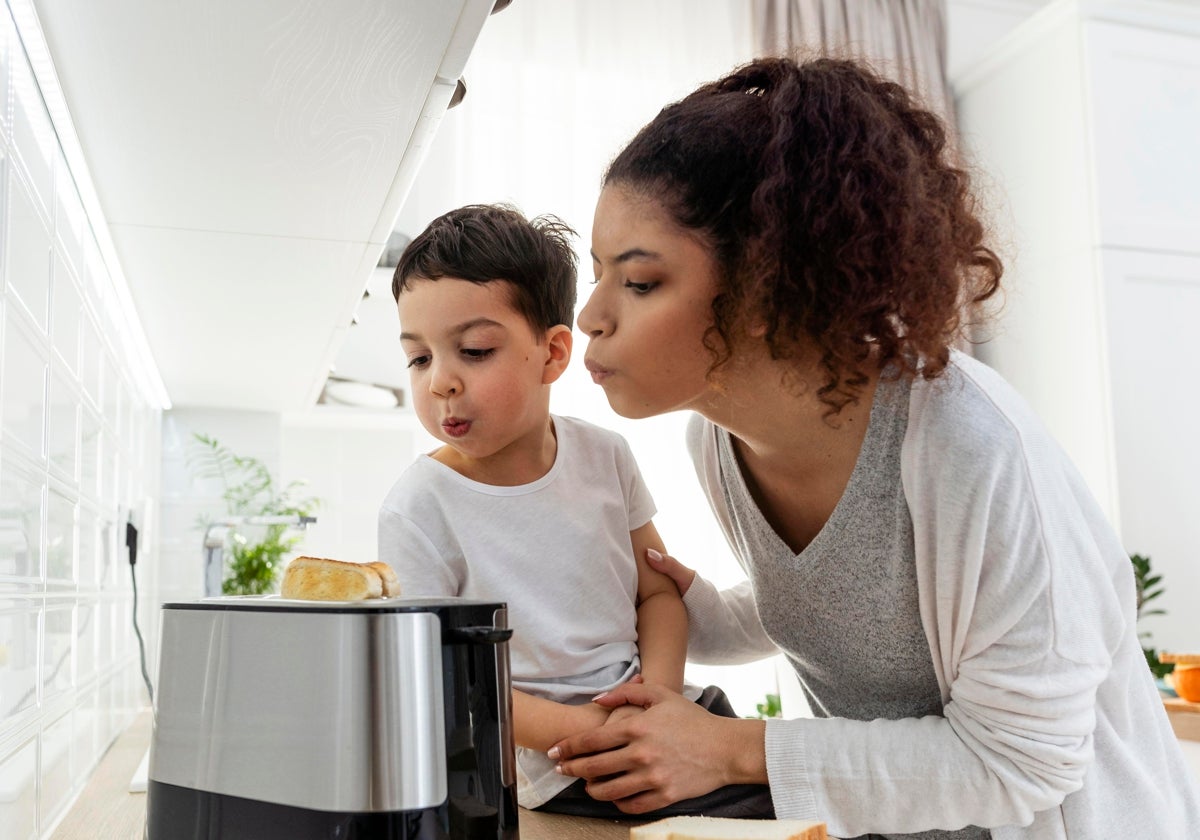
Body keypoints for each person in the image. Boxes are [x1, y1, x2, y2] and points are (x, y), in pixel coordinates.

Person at [550, 56, 1200, 839]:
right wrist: (670, 600)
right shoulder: (718, 442)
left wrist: (731, 750)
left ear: (764, 283)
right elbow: (846, 604)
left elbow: (1024, 764)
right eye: (597, 275)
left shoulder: (967, 446)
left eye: (641, 282)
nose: (590, 315)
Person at [376, 204, 774, 818]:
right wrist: (589, 728)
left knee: (812, 808)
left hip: (669, 711)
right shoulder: (419, 507)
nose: (440, 383)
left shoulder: (604, 454)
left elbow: (658, 594)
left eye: (474, 350)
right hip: (567, 764)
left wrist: (658, 700)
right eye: (420, 358)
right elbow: (446, 683)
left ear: (554, 353)